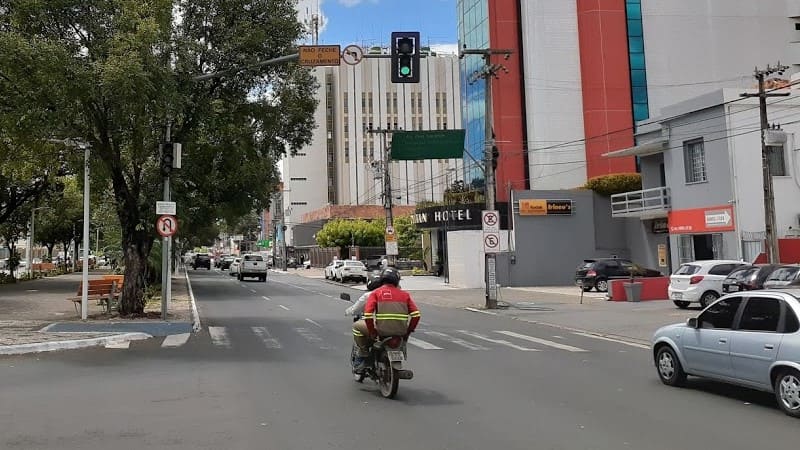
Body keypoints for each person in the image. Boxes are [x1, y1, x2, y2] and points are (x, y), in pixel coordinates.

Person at [351, 267, 420, 370]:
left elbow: (368, 315)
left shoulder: (376, 293)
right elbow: (416, 315)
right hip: (400, 333)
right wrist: (408, 331)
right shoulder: (405, 295)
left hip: (381, 332)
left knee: (356, 327)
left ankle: (364, 353)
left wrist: (372, 332)